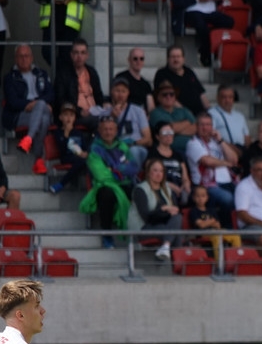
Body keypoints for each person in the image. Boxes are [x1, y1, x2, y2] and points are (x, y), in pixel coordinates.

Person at [81, 115, 139, 248]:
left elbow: (134, 167)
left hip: (125, 184)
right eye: (105, 129)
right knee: (107, 194)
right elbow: (101, 175)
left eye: (111, 129)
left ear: (116, 130)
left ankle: (141, 236)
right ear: (100, 131)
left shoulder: (122, 146)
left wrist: (114, 169)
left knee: (141, 192)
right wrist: (121, 171)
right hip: (105, 185)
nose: (108, 132)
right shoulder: (95, 149)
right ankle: (106, 233)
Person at [2, 44, 53, 175]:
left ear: (32, 58)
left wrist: (37, 104)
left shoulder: (42, 74)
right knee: (44, 118)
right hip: (20, 114)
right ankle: (38, 159)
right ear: (15, 58)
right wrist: (32, 104)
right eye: (20, 56)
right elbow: (13, 102)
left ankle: (28, 139)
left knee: (41, 106)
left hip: (39, 109)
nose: (24, 59)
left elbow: (51, 94)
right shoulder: (10, 78)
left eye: (26, 56)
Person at [128, 158, 182, 261]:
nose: (159, 174)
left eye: (161, 171)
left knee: (177, 218)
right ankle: (177, 265)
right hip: (143, 228)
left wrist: (172, 210)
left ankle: (165, 247)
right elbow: (146, 217)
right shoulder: (140, 189)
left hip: (163, 225)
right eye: (155, 170)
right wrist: (164, 209)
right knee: (175, 232)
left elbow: (175, 209)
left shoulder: (166, 189)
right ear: (148, 173)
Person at [186, 112, 239, 214]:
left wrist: (221, 140)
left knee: (245, 195)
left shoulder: (216, 142)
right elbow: (207, 161)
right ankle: (227, 227)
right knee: (227, 199)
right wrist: (227, 163)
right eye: (202, 125)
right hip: (207, 185)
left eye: (208, 125)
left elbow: (234, 159)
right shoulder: (193, 143)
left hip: (228, 182)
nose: (205, 128)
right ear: (197, 127)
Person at [53, 38, 106, 133]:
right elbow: (60, 100)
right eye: (76, 53)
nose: (79, 56)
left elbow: (99, 95)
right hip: (74, 116)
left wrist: (105, 105)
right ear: (71, 55)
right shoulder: (63, 73)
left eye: (82, 53)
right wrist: (79, 111)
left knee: (113, 118)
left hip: (94, 111)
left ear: (87, 55)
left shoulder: (92, 72)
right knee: (98, 122)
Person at [153, 44, 211, 119]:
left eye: (178, 57)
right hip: (179, 115)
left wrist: (209, 110)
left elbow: (201, 93)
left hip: (199, 114)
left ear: (183, 59)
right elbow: (169, 99)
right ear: (168, 59)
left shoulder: (189, 72)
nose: (176, 60)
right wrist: (186, 113)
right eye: (173, 57)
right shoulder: (162, 74)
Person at [102, 77, 151, 166]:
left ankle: (132, 178)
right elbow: (103, 137)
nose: (120, 94)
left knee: (133, 151)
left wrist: (132, 143)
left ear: (128, 93)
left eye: (123, 91)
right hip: (114, 148)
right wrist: (112, 117)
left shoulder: (138, 111)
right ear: (112, 92)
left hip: (136, 147)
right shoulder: (105, 113)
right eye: (117, 91)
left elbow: (148, 138)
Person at [47, 103, 90, 195]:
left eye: (71, 115)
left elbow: (85, 148)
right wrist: (66, 132)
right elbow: (62, 148)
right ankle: (61, 184)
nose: (68, 118)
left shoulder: (78, 132)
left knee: (88, 160)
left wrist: (85, 153)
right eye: (66, 115)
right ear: (60, 117)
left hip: (80, 158)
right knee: (83, 161)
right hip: (67, 157)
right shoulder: (58, 132)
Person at [188, 184, 240, 259]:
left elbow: (218, 225)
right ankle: (218, 263)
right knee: (217, 237)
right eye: (197, 196)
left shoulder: (211, 210)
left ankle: (236, 260)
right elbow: (201, 225)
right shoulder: (194, 211)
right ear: (193, 198)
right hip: (203, 234)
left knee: (235, 236)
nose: (200, 199)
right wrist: (212, 221)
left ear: (207, 197)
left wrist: (208, 223)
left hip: (216, 231)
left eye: (203, 196)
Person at [210, 84, 249, 154]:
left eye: (230, 97)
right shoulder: (212, 114)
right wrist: (234, 150)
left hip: (242, 151)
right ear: (217, 98)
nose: (227, 100)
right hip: (224, 151)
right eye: (224, 97)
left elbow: (246, 136)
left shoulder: (240, 116)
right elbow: (212, 137)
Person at [113, 47, 154, 112]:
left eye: (141, 59)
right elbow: (115, 98)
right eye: (135, 59)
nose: (138, 61)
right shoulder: (121, 77)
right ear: (129, 60)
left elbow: (151, 107)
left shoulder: (146, 84)